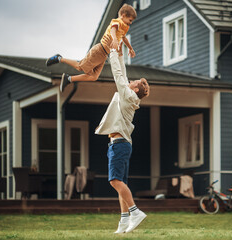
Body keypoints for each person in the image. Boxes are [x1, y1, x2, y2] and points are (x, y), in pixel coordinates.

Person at [95, 49, 150, 234]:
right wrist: (119, 52)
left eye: (133, 82)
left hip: (119, 145)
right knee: (120, 184)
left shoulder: (128, 95)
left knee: (114, 181)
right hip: (120, 144)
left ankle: (135, 212)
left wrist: (111, 52)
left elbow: (118, 74)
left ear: (134, 89)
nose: (130, 81)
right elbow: (123, 72)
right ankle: (124, 221)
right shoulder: (130, 95)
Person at [45, 3, 137, 92]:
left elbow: (124, 38)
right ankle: (59, 59)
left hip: (104, 56)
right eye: (130, 20)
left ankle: (68, 78)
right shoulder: (117, 21)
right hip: (99, 50)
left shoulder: (125, 27)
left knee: (94, 77)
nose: (131, 23)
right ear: (123, 15)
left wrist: (130, 48)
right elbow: (113, 30)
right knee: (79, 66)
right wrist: (115, 40)